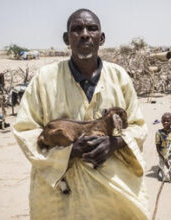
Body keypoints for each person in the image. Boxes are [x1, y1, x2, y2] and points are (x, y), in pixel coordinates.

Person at [13, 9, 149, 220]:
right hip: (61, 198)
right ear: (67, 39)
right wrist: (68, 150)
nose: (85, 34)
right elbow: (25, 130)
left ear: (101, 38)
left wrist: (114, 143)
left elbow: (138, 125)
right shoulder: (44, 78)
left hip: (113, 194)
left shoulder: (118, 76)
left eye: (92, 28)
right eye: (77, 29)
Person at [155, 112, 171, 181]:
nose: (165, 122)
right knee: (167, 178)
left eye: (168, 121)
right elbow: (158, 147)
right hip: (163, 156)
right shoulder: (159, 133)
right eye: (163, 121)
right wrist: (163, 158)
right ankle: (160, 170)